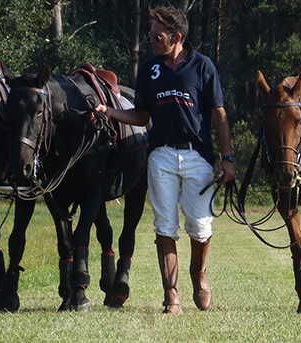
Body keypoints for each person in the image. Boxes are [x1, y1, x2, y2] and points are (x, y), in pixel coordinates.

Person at [95, 5, 235, 314]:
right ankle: (171, 295)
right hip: (160, 156)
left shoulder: (203, 66)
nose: (152, 40)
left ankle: (198, 273)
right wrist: (110, 112)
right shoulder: (148, 69)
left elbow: (219, 114)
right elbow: (142, 116)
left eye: (158, 36)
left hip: (198, 156)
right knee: (165, 227)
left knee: (200, 227)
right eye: (150, 35)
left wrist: (227, 158)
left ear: (177, 37)